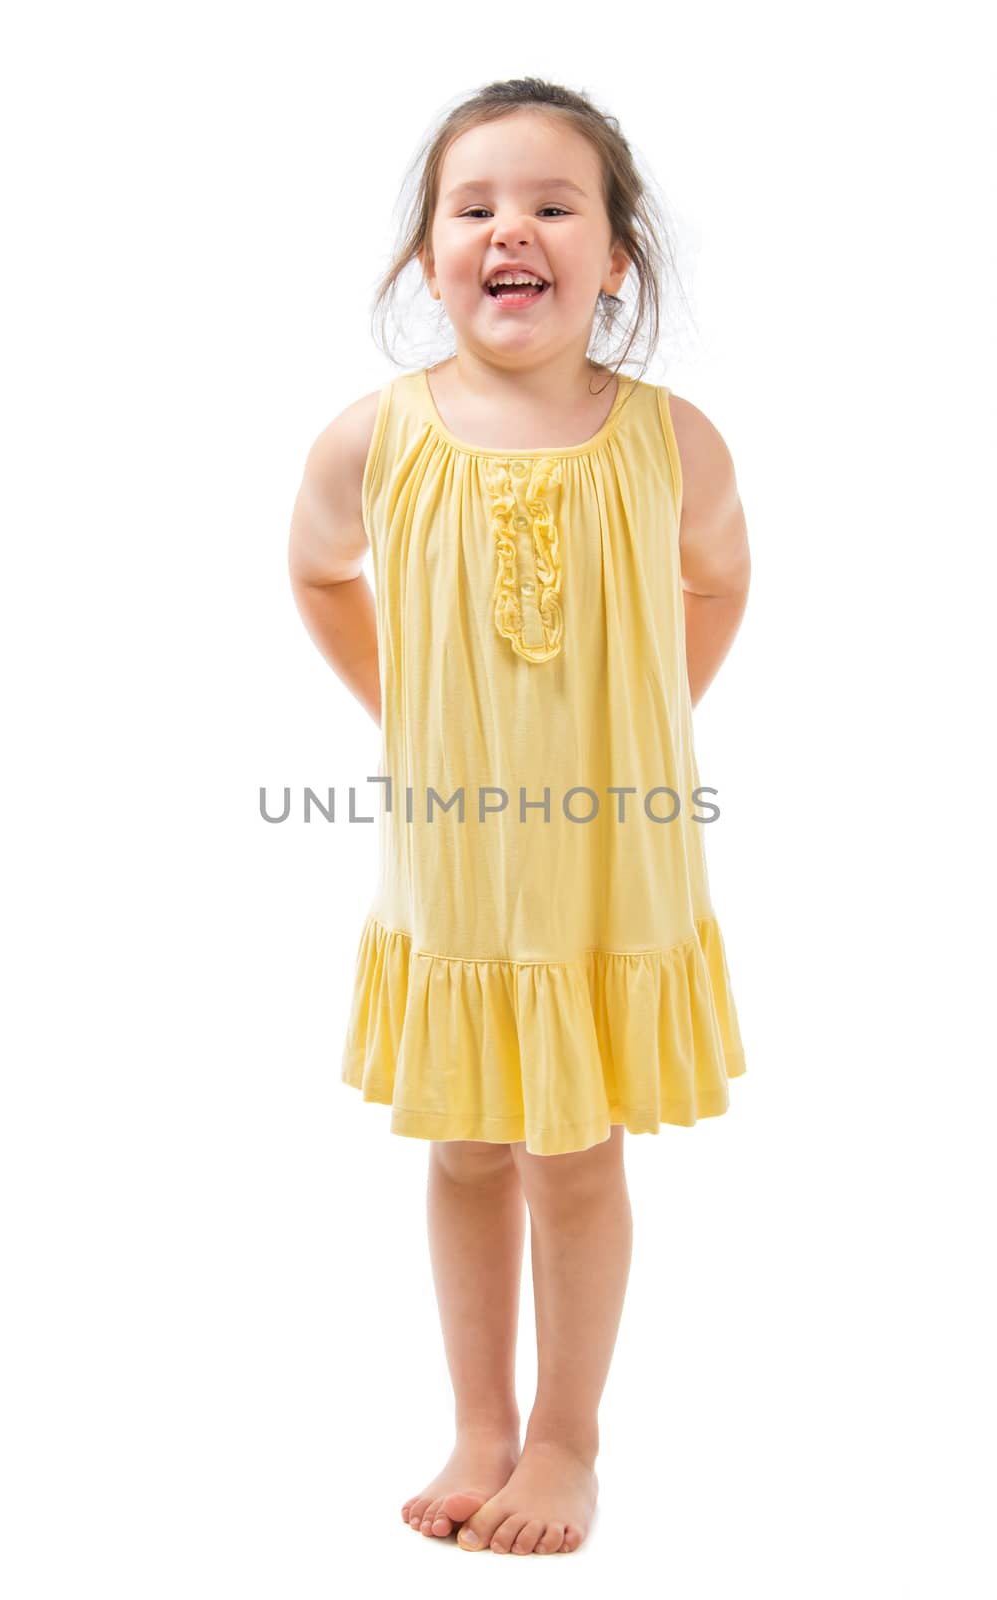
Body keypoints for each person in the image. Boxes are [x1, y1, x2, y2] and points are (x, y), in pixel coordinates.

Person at [288, 76, 750, 1557]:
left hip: (612, 863)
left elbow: (721, 579)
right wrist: (405, 719)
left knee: (576, 1150)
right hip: (458, 868)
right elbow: (317, 571)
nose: (513, 229)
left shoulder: (670, 443)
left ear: (615, 256)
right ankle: (480, 1420)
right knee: (470, 1143)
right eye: (475, 205)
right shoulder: (379, 438)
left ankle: (566, 1438)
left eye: (555, 204)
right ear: (429, 255)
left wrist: (645, 726)